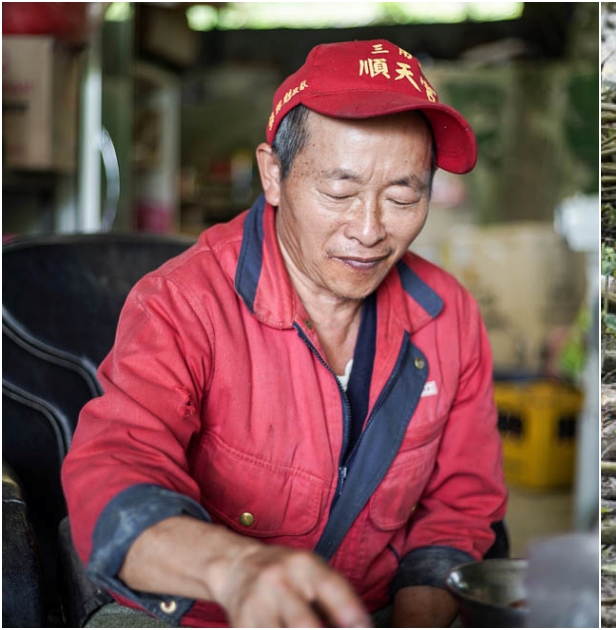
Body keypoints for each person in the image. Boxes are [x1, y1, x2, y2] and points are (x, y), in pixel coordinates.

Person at [60, 39, 507, 628]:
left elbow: (459, 502)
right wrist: (237, 569)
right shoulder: (182, 303)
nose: (370, 230)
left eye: (404, 195)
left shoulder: (447, 316)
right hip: (206, 613)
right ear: (274, 174)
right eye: (340, 192)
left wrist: (414, 616)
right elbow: (115, 474)